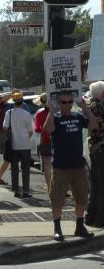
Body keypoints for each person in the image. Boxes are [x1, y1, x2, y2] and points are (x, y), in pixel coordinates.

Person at [43, 91, 97, 241]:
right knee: (57, 199)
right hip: (61, 167)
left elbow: (93, 126)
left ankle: (79, 227)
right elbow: (48, 130)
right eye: (63, 102)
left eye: (69, 102)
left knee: (81, 197)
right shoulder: (57, 118)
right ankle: (57, 228)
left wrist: (86, 109)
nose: (66, 105)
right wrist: (51, 111)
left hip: (78, 166)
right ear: (58, 103)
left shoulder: (78, 117)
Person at [3, 92, 33, 198]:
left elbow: (5, 128)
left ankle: (16, 191)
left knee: (14, 169)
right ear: (22, 102)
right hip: (25, 145)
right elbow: (30, 132)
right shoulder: (27, 114)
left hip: (13, 145)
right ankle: (25, 191)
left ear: (13, 102)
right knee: (25, 169)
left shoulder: (9, 113)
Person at [85, 81, 104, 227]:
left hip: (93, 148)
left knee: (95, 183)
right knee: (101, 183)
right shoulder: (100, 106)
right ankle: (100, 218)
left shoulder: (90, 104)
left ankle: (91, 215)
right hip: (101, 147)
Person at [33, 93, 52, 191]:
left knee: (47, 165)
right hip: (57, 140)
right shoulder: (57, 111)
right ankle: (62, 188)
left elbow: (37, 129)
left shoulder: (39, 114)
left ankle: (50, 187)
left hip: (45, 140)